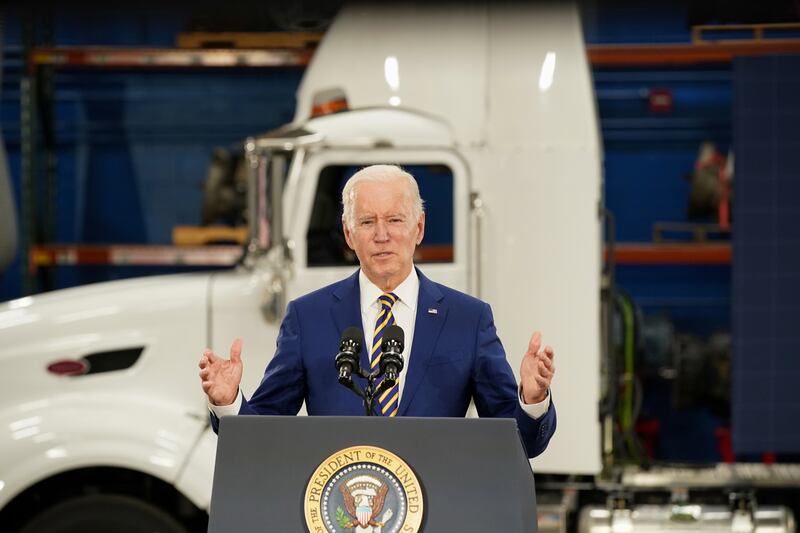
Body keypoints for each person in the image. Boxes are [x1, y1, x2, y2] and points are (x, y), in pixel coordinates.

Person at [199, 164, 557, 457]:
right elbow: (264, 434)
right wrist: (229, 401)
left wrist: (532, 398)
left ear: (418, 228)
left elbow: (520, 443)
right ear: (348, 233)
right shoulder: (308, 318)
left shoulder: (468, 319)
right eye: (367, 222)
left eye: (395, 220)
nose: (381, 235)